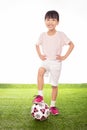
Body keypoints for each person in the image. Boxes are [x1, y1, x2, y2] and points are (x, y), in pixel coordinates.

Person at [33, 10, 74, 115]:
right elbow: (37, 45)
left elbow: (71, 44)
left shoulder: (61, 35)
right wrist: (40, 55)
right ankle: (40, 95)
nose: (50, 22)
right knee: (40, 72)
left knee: (54, 85)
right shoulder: (42, 35)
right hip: (46, 61)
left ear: (57, 22)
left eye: (53, 19)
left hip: (56, 63)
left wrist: (64, 56)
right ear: (44, 21)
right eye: (48, 19)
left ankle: (52, 106)